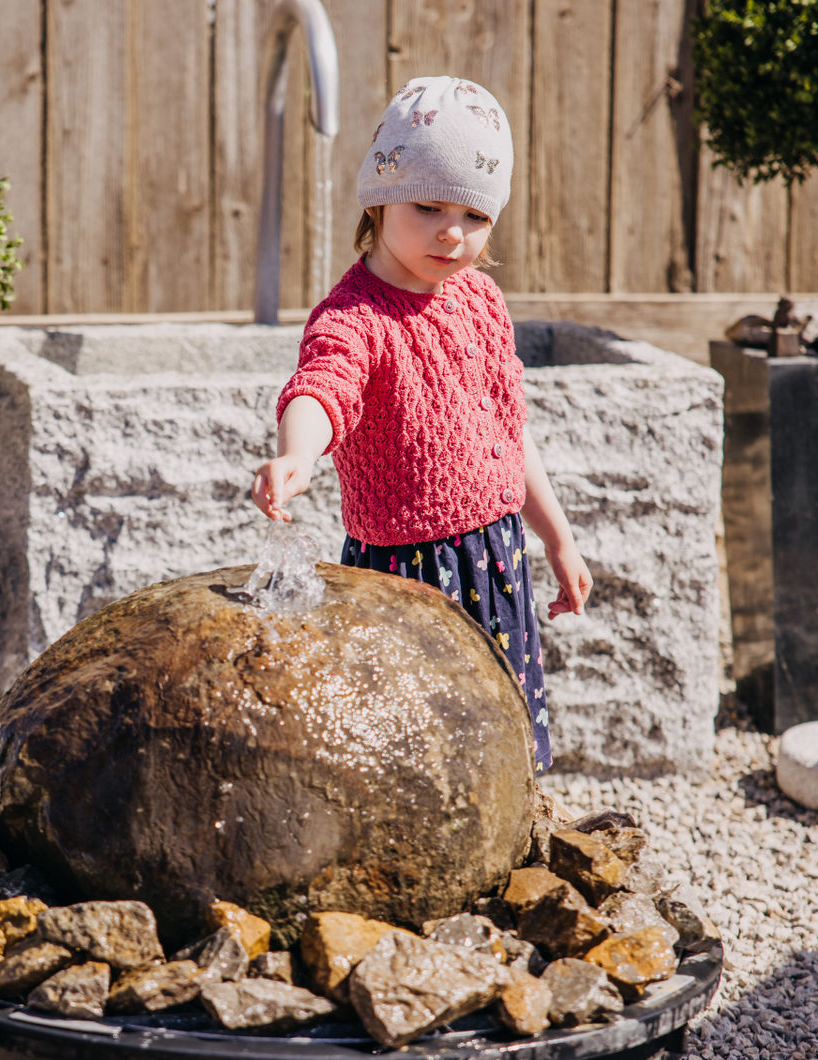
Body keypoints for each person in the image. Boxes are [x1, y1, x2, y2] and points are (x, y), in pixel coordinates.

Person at [249, 74, 590, 773]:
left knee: (496, 735)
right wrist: (298, 455)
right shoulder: (355, 317)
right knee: (410, 745)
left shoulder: (479, 300)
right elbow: (323, 386)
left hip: (494, 557)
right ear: (379, 198)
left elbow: (508, 429)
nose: (452, 232)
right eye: (429, 205)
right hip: (404, 570)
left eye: (475, 215)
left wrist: (557, 536)